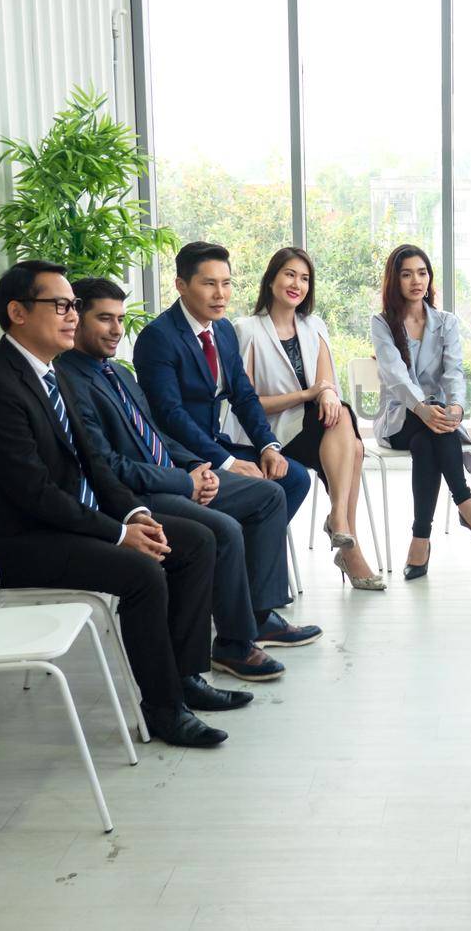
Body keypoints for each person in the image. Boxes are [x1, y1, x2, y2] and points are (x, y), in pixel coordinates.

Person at [0, 261, 230, 748]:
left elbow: (95, 465)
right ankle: (164, 710)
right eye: (60, 305)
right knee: (141, 572)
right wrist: (118, 535)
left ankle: (185, 678)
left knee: (194, 540)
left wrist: (134, 514)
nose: (70, 315)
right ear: (17, 312)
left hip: (63, 520)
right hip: (17, 542)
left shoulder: (49, 372)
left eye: (73, 306)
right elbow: (36, 496)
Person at [61, 277, 318, 682]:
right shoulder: (75, 378)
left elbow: (156, 433)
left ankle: (254, 616)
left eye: (119, 319)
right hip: (142, 491)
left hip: (180, 465)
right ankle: (233, 642)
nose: (115, 330)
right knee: (226, 528)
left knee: (275, 491)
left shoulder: (116, 372)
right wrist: (196, 476)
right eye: (104, 319)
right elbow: (113, 459)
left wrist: (200, 466)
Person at [132, 241, 318, 650]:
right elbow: (170, 417)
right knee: (267, 494)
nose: (221, 294)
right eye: (209, 284)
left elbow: (245, 396)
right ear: (181, 285)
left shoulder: (223, 331)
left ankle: (245, 590)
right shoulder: (159, 338)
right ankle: (256, 614)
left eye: (227, 284)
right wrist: (228, 461)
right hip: (180, 456)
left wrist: (268, 445)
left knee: (295, 477)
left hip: (213, 442)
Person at [229, 247, 382, 590]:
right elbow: (247, 403)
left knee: (341, 416)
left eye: (305, 278)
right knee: (353, 449)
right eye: (289, 274)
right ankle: (345, 537)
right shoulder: (248, 329)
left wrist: (325, 394)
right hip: (271, 435)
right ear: (271, 280)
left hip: (316, 430)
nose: (297, 284)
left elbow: (326, 386)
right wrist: (306, 395)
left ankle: (340, 520)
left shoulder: (314, 326)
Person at [370, 244, 471, 581]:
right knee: (430, 421)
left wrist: (456, 405)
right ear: (395, 280)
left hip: (438, 421)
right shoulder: (383, 322)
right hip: (400, 416)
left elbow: (455, 371)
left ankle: (419, 540)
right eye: (407, 273)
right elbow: (395, 376)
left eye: (423, 272)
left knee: (428, 443)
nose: (417, 280)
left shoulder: (446, 323)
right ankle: (465, 502)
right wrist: (423, 408)